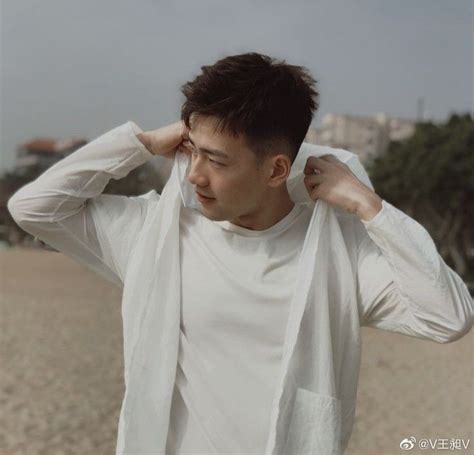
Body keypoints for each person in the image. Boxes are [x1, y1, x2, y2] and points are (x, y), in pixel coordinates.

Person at [7, 52, 472, 455]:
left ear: (276, 169)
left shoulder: (336, 257)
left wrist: (369, 207)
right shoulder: (157, 233)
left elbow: (448, 317)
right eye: (194, 151)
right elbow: (33, 208)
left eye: (218, 160)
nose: (195, 176)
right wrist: (142, 144)